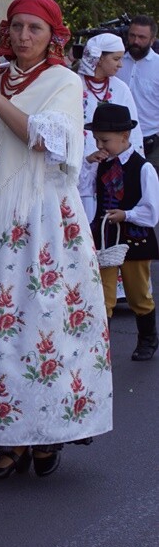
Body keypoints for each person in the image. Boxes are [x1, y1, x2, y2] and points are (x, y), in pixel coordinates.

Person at [0, 0, 112, 481]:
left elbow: (40, 137)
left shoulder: (63, 81)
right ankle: (5, 437)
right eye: (16, 27)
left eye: (34, 29)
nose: (23, 37)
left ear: (53, 35)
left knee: (38, 322)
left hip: (39, 215)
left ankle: (47, 430)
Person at [86, 102, 159, 361]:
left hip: (134, 240)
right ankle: (99, 346)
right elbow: (82, 188)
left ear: (124, 136)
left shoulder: (143, 168)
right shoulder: (99, 163)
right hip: (106, 239)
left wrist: (126, 214)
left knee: (138, 293)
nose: (100, 146)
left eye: (104, 140)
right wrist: (88, 164)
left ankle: (148, 338)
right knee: (102, 295)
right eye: (96, 140)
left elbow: (151, 213)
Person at [77, 32, 143, 221]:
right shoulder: (73, 84)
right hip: (79, 169)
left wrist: (133, 168)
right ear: (99, 58)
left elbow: (133, 133)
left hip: (110, 171)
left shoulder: (120, 88)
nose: (120, 64)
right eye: (116, 59)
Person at [117, 15, 159, 175]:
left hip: (152, 142)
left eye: (142, 37)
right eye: (132, 35)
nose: (135, 41)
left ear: (152, 39)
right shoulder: (116, 62)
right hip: (119, 140)